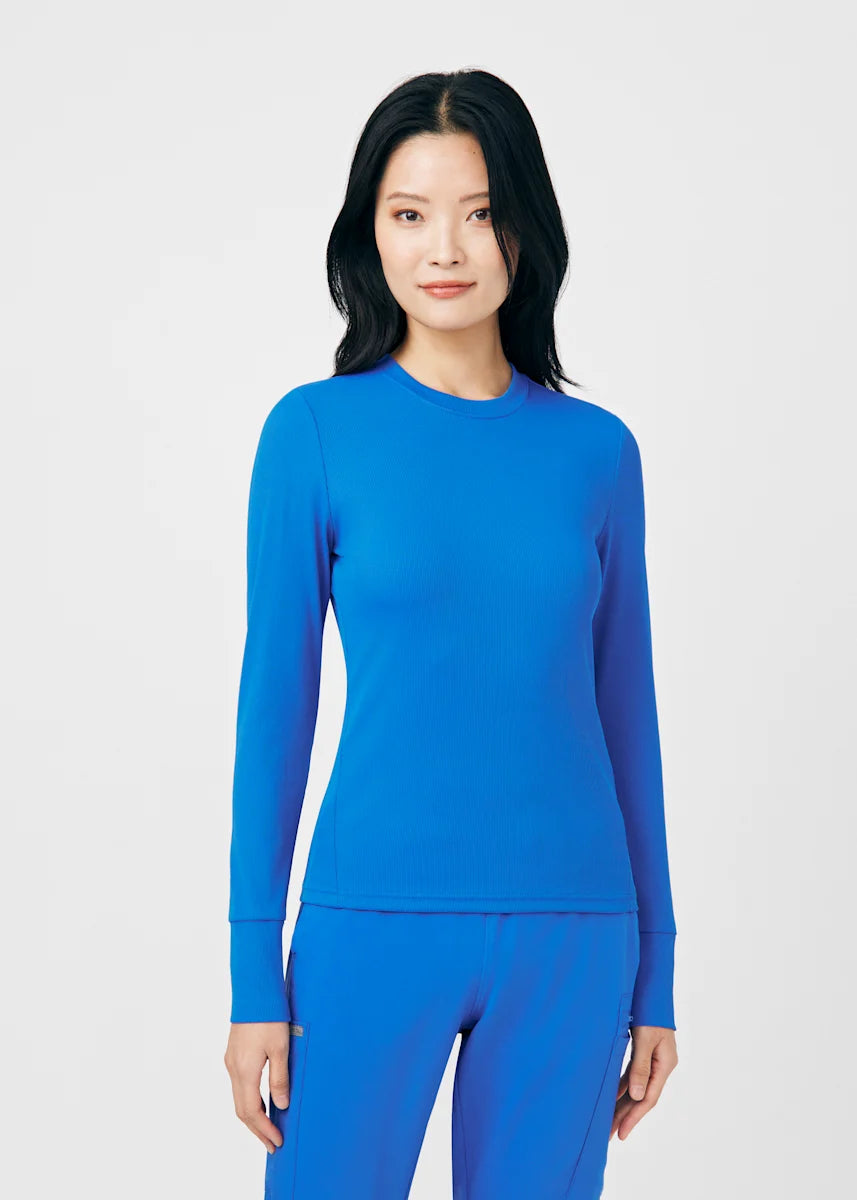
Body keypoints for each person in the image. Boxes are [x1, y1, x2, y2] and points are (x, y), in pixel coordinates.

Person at [223, 67, 679, 1199]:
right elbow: (273, 718)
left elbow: (627, 717)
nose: (445, 248)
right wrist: (252, 976)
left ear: (525, 227)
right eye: (409, 213)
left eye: (479, 212)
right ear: (368, 233)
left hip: (574, 932)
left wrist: (657, 975)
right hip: (369, 923)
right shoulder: (313, 434)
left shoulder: (597, 453)